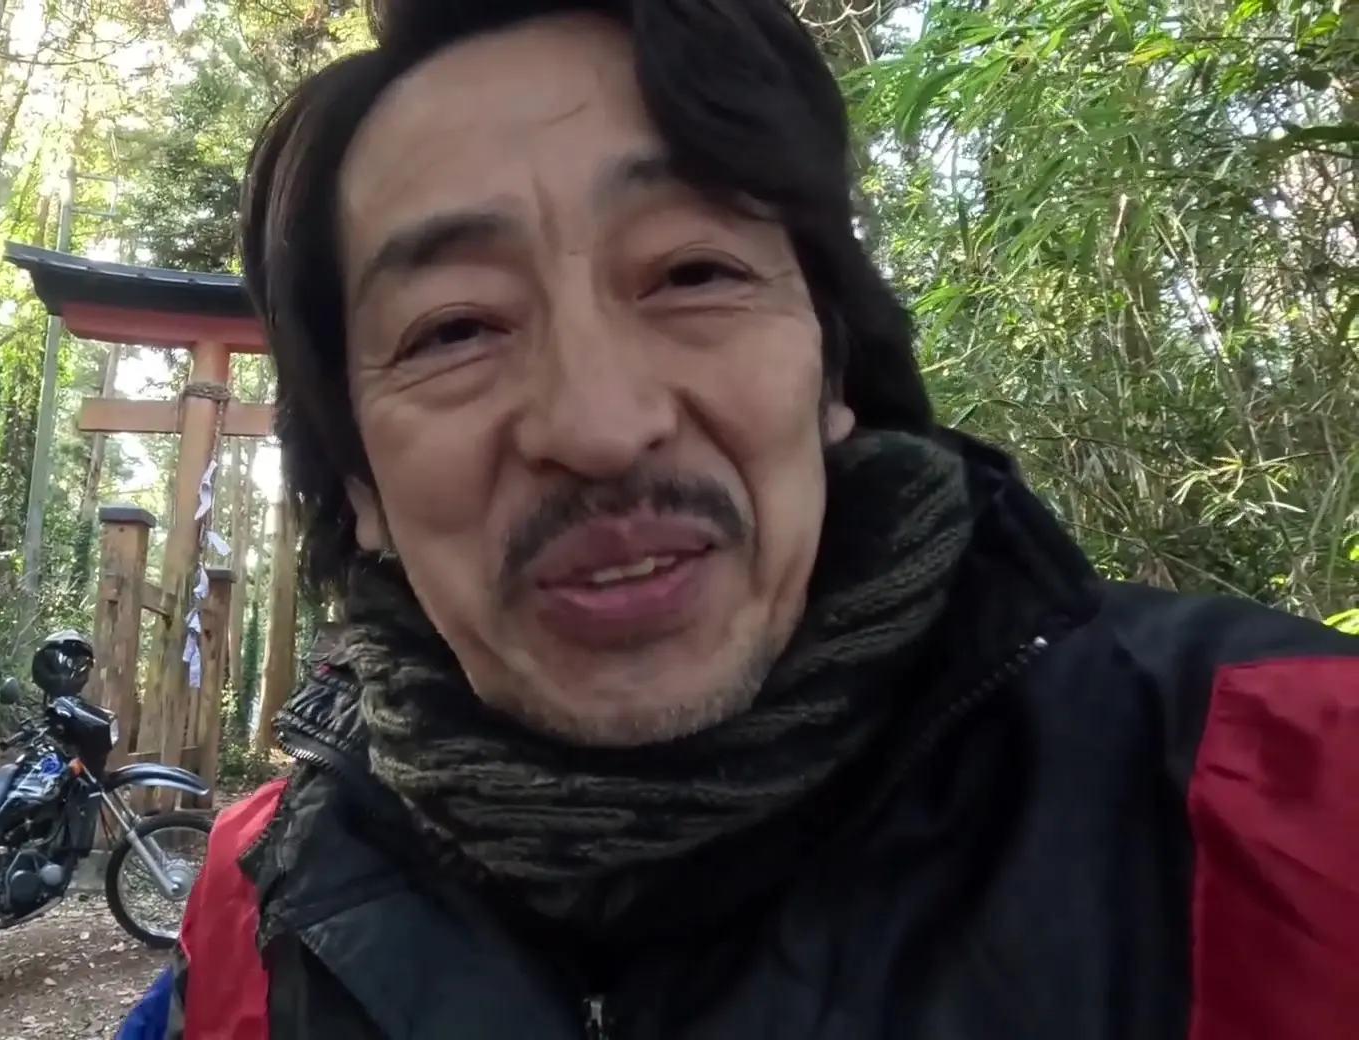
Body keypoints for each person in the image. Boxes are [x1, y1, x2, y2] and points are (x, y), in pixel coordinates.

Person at [154, 1, 1359, 1037]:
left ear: (832, 370)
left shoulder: (1286, 785)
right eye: (455, 328)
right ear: (359, 483)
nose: (601, 424)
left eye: (694, 273)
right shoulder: (260, 906)